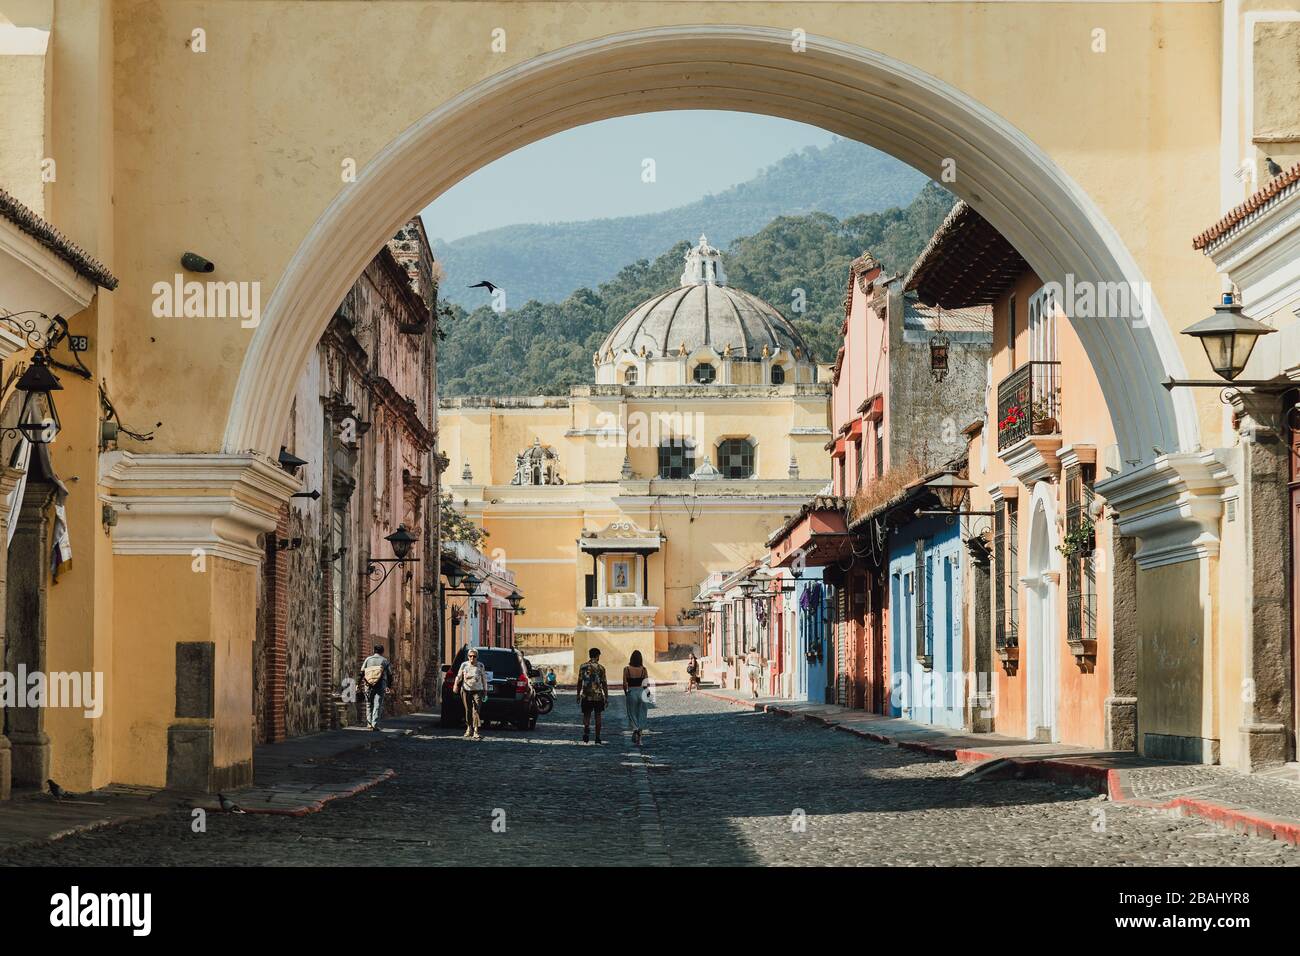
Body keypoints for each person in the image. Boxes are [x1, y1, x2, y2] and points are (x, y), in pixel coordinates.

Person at [452, 647, 488, 739]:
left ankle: (476, 730)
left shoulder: (480, 666)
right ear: (468, 657)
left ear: (477, 657)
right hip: (466, 689)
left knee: (476, 710)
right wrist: (455, 685)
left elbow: (484, 678)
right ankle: (469, 728)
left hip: (478, 690)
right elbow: (459, 676)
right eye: (470, 656)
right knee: (468, 709)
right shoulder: (464, 665)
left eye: (474, 656)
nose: (472, 658)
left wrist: (485, 690)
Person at [577, 647, 608, 744]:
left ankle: (586, 728)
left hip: (586, 695)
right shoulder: (601, 668)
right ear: (598, 656)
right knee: (598, 715)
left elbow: (579, 681)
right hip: (598, 696)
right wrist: (606, 697)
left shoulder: (583, 667)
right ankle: (597, 737)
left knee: (586, 714)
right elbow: (604, 684)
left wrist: (578, 694)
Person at [361, 644, 394, 731]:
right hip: (380, 685)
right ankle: (374, 724)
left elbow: (361, 673)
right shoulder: (384, 661)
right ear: (382, 652)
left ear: (373, 651)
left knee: (368, 704)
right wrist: (389, 686)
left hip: (368, 684)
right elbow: (390, 675)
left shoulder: (368, 659)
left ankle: (368, 724)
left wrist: (358, 683)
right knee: (377, 704)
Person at [623, 650, 650, 746]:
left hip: (631, 692)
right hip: (642, 692)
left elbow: (624, 684)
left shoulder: (626, 669)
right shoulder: (644, 669)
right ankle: (640, 740)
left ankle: (635, 729)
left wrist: (626, 693)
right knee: (641, 714)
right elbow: (646, 684)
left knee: (632, 714)